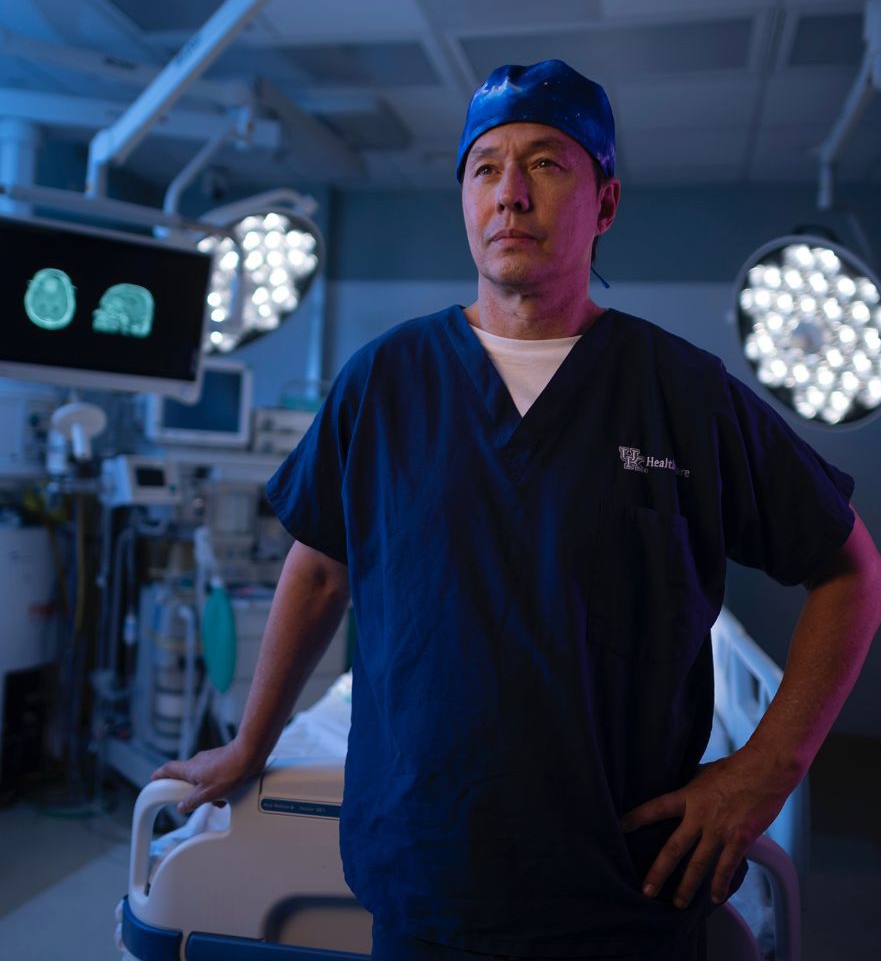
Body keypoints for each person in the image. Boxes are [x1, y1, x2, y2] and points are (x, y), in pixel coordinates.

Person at [153, 60, 881, 960]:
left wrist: (765, 768)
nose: (510, 194)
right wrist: (246, 745)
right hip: (426, 881)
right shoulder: (384, 382)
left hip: (629, 890)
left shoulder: (684, 395)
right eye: (485, 166)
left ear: (604, 203)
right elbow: (318, 568)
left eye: (545, 163)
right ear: (462, 197)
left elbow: (849, 568)